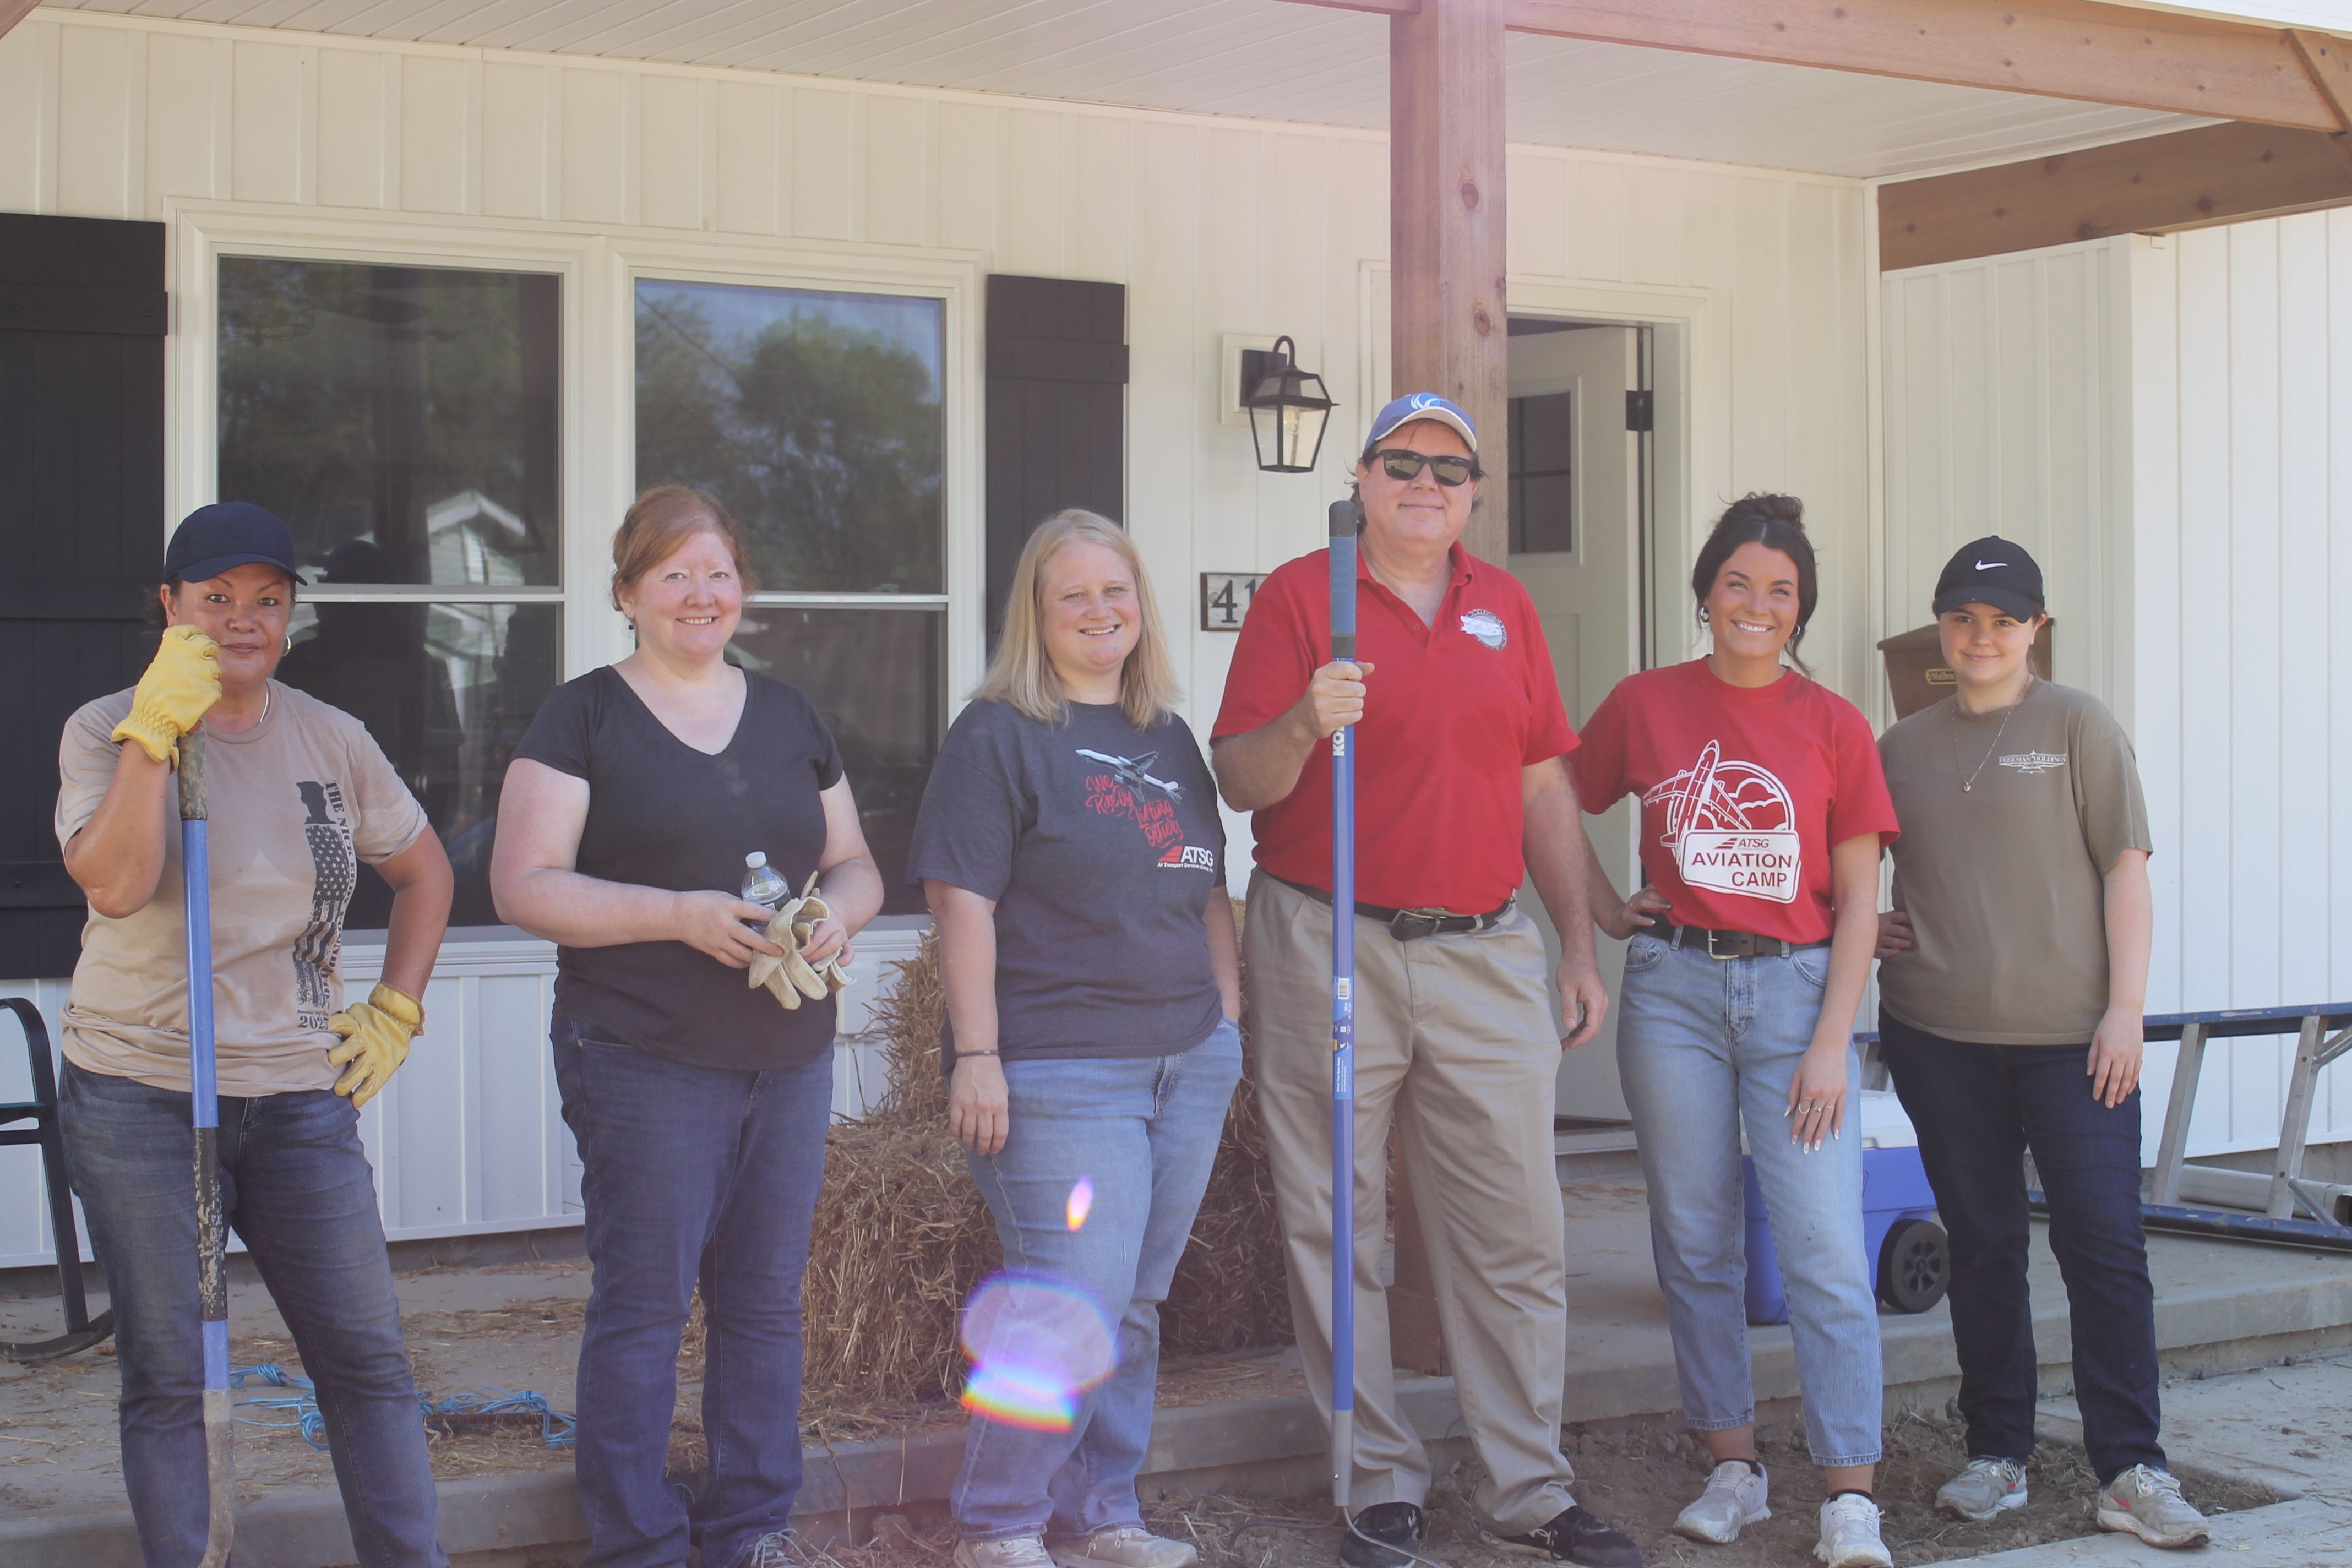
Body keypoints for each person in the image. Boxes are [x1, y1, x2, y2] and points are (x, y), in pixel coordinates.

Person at [1212, 395, 1641, 1568]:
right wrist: (1305, 719)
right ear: (1363, 474)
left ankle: (1529, 1486)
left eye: (1450, 470)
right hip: (1326, 936)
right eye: (1402, 463)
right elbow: (1239, 777)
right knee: (1336, 1219)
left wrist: (1574, 939)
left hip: (1485, 945)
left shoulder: (1504, 606)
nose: (1426, 483)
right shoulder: (1303, 595)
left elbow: (1544, 788)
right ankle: (1375, 1478)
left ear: (1473, 492)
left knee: (1515, 1224)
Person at [56, 502, 456, 1568]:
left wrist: (396, 1005)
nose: (244, 620)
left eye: (268, 600)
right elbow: (118, 881)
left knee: (367, 1357)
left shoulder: (332, 737)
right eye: (216, 598)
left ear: (290, 614)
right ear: (170, 606)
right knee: (173, 1373)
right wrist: (154, 737)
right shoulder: (104, 728)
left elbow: (424, 870)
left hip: (297, 1092)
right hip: (142, 1088)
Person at [489, 486, 884, 1568]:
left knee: (763, 1302)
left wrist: (833, 916)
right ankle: (640, 1542)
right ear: (627, 593)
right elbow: (522, 883)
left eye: (718, 573)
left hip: (788, 1058)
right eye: (675, 575)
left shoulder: (791, 713)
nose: (701, 594)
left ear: (742, 588)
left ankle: (753, 1526)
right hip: (642, 1054)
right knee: (647, 1305)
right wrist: (676, 914)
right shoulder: (585, 715)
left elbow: (854, 862)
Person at [1570, 496, 1899, 1568]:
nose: (1757, 605)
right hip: (1673, 992)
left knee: (1825, 1250)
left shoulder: (1836, 724)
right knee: (1696, 1241)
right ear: (1707, 589)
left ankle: (1850, 1488)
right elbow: (1550, 797)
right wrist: (1604, 912)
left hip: (1801, 995)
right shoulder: (1645, 703)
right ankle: (1735, 1464)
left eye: (1781, 590)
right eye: (1739, 583)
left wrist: (1831, 1041)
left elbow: (1859, 902)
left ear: (1800, 609)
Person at [908, 510, 1242, 1568]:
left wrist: (1225, 1018)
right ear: (1036, 617)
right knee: (1074, 1300)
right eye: (1074, 597)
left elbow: (1207, 891)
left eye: (1117, 592)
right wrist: (977, 1055)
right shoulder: (999, 733)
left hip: (1185, 1057)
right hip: (1061, 1070)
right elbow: (960, 901)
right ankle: (999, 1524)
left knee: (1134, 1305)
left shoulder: (1169, 736)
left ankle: (1103, 1512)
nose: (1100, 612)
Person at [1874, 540, 2208, 1549]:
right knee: (1982, 1245)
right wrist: (1872, 923)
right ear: (1941, 628)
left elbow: (2126, 869)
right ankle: (1998, 1453)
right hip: (1939, 1037)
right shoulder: (1901, 748)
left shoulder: (2078, 726)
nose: (1983, 637)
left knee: (2104, 1245)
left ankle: (2133, 1469)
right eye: (1964, 619)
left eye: (2004, 620)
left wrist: (2127, 1008)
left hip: (2077, 1041)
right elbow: (1856, 871)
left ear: (2036, 628)